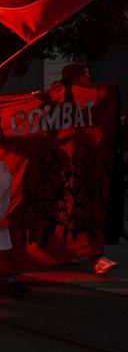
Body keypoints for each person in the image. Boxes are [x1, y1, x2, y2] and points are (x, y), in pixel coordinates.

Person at [59, 62, 119, 275]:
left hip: (85, 164)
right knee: (73, 211)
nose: (89, 75)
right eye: (85, 72)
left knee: (85, 210)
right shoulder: (59, 98)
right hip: (67, 165)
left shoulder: (88, 96)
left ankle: (90, 254)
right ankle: (87, 254)